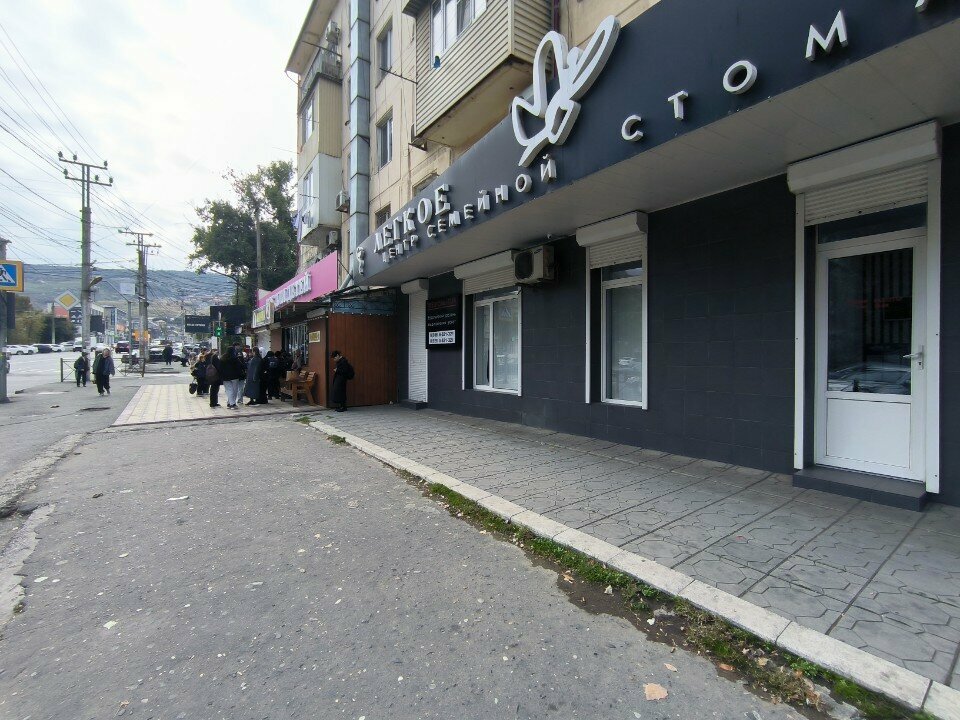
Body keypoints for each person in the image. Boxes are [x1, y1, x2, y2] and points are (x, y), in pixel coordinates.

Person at [219, 345, 244, 409]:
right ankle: (232, 404)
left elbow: (220, 368)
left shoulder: (222, 358)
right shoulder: (235, 358)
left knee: (229, 390)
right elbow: (240, 366)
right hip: (234, 377)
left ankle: (230, 403)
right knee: (234, 391)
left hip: (225, 377)